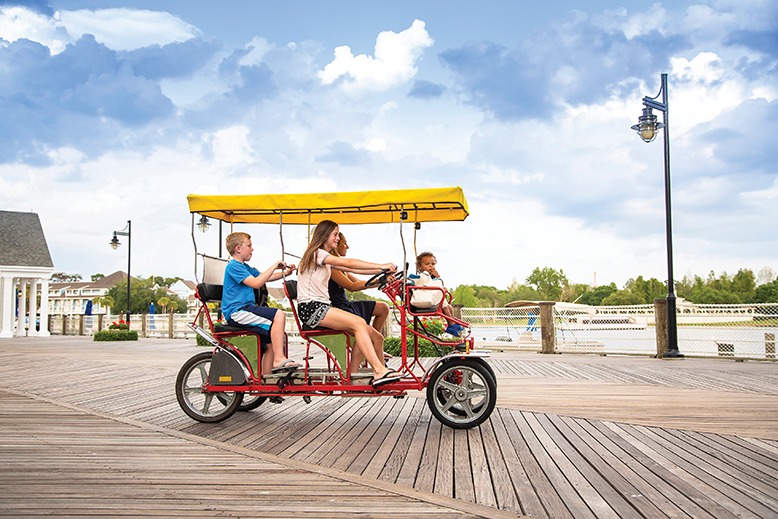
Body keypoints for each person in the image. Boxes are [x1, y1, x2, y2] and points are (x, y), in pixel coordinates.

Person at [297, 220, 402, 388]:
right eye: (335, 234)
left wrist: (379, 271)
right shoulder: (317, 254)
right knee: (359, 323)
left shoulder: (325, 258)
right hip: (312, 309)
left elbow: (355, 270)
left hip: (322, 307)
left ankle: (370, 376)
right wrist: (381, 265)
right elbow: (349, 264)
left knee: (376, 336)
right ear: (324, 236)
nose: (338, 238)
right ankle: (378, 370)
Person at [222, 231, 299, 375]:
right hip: (237, 311)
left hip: (246, 309)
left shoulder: (244, 267)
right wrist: (275, 265)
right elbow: (257, 283)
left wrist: (285, 273)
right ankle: (279, 358)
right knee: (278, 314)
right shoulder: (233, 266)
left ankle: (266, 380)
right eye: (249, 246)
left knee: (270, 343)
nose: (252, 249)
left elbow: (264, 277)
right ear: (238, 248)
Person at [327, 232, 392, 367]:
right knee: (370, 334)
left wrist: (380, 281)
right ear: (335, 245)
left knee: (384, 308)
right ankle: (375, 353)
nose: (347, 246)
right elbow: (352, 286)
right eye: (344, 243)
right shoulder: (332, 267)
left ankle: (375, 346)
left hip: (346, 304)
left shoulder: (339, 267)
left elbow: (359, 282)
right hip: (339, 307)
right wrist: (379, 279)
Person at [415, 251, 462, 336]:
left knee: (449, 307)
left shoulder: (429, 277)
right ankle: (452, 324)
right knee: (443, 300)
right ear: (420, 266)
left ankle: (450, 325)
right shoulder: (422, 276)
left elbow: (437, 285)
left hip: (430, 297)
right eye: (427, 264)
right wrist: (438, 278)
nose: (430, 266)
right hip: (424, 299)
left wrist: (438, 279)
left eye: (433, 264)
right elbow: (432, 285)